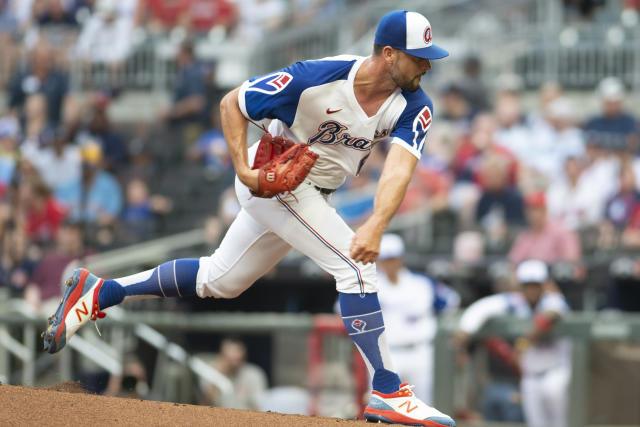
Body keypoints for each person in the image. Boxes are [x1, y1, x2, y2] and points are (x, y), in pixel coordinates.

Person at [43, 10, 456, 426]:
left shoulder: (414, 104)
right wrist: (242, 169)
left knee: (219, 280)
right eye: (418, 56)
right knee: (357, 270)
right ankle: (386, 390)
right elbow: (233, 103)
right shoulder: (316, 77)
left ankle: (100, 291)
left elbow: (398, 169)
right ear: (388, 54)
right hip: (275, 183)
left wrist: (377, 222)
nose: (427, 64)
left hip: (310, 193)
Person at [452, 260, 571, 427]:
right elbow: (482, 307)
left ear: (544, 285)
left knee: (559, 423)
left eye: (535, 285)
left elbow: (550, 315)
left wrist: (524, 341)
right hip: (530, 376)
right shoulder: (515, 302)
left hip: (555, 374)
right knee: (536, 423)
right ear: (520, 286)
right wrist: (465, 329)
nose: (531, 289)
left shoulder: (554, 300)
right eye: (527, 285)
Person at [376, 234, 459, 405]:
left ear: (401, 259)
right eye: (385, 259)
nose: (389, 264)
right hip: (388, 353)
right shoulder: (371, 284)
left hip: (420, 351)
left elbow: (451, 301)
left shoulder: (422, 283)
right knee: (386, 407)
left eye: (393, 259)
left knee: (424, 407)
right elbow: (341, 308)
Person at [200, 336, 267, 410]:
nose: (234, 364)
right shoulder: (210, 372)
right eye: (229, 359)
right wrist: (217, 376)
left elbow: (260, 406)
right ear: (221, 355)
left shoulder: (254, 374)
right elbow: (204, 405)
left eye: (237, 359)